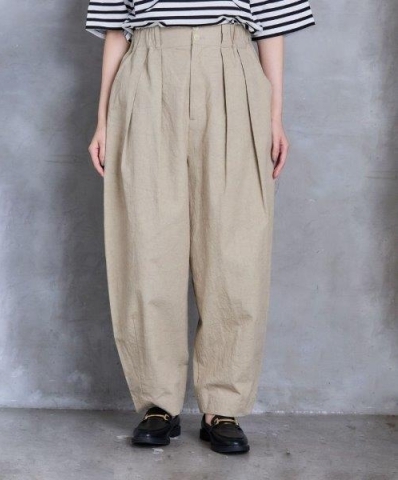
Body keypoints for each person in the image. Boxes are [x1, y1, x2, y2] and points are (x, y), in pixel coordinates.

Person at [86, 0, 315, 455]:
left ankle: (223, 407)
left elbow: (271, 27)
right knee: (148, 246)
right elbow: (115, 29)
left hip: (232, 69)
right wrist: (102, 119)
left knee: (236, 248)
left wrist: (273, 116)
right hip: (147, 71)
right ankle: (158, 403)